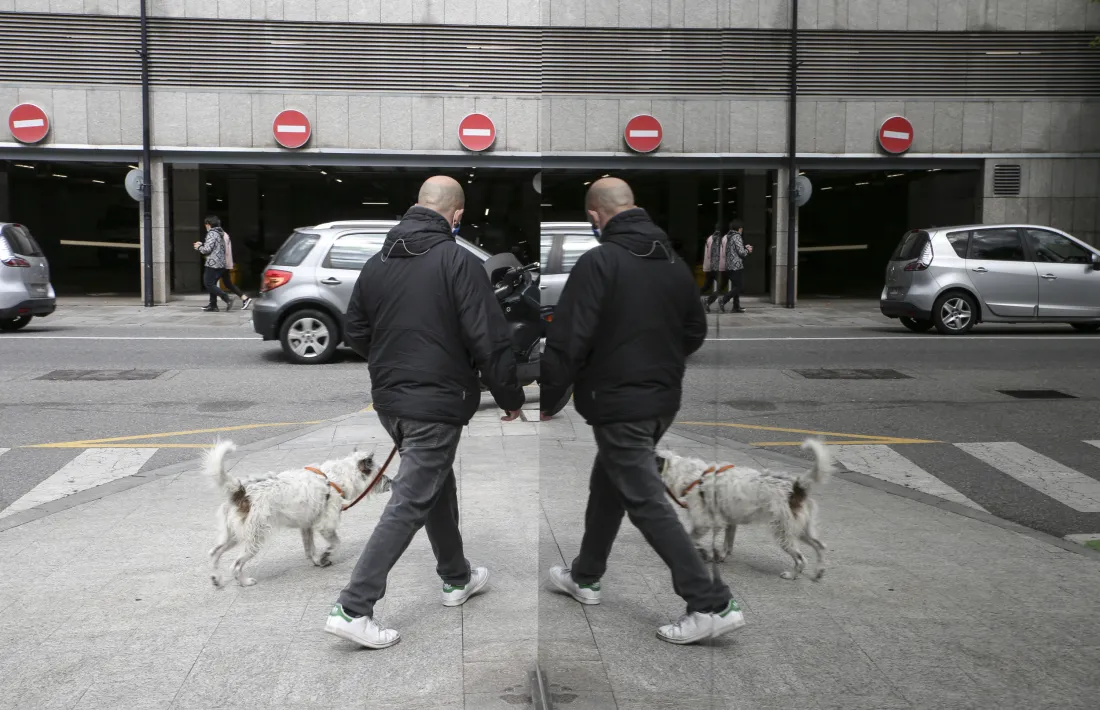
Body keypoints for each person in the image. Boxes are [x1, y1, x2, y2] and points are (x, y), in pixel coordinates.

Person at [540, 177, 745, 646]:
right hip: (661, 399)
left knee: (645, 501)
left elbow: (567, 341)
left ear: (595, 216)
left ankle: (710, 603)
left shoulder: (599, 262)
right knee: (608, 484)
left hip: (618, 403)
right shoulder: (673, 264)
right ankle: (585, 575)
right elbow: (694, 332)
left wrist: (550, 398)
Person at [325, 176, 525, 649]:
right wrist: (511, 396)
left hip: (391, 401)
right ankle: (354, 606)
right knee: (411, 499)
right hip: (435, 402)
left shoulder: (377, 263)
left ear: (416, 208)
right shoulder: (458, 260)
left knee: (435, 483)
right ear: (456, 217)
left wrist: (393, 362)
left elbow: (355, 331)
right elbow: (488, 337)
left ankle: (456, 577)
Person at [193, 215, 233, 312]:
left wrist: (198, 247)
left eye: (206, 224)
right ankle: (213, 305)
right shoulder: (220, 232)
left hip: (212, 263)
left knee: (208, 283)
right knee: (213, 283)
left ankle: (226, 298)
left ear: (208, 224)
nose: (205, 226)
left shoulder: (211, 233)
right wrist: (202, 244)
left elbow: (207, 250)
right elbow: (215, 246)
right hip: (221, 262)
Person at [717, 220, 752, 313]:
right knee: (739, 286)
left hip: (729, 265)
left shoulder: (729, 236)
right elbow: (741, 253)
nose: (742, 230)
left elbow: (734, 250)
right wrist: (748, 250)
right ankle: (724, 300)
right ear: (739, 229)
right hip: (736, 266)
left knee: (735, 286)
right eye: (741, 229)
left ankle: (736, 307)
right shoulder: (737, 236)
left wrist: (744, 248)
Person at [218, 228, 251, 310]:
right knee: (228, 284)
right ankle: (244, 298)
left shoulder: (219, 236)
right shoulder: (226, 236)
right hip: (226, 263)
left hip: (221, 263)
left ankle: (226, 299)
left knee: (210, 283)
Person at [701, 226, 726, 313]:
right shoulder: (719, 239)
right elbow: (718, 254)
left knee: (706, 286)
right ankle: (708, 301)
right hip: (716, 267)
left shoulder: (710, 238)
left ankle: (690, 299)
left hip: (709, 266)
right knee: (722, 285)